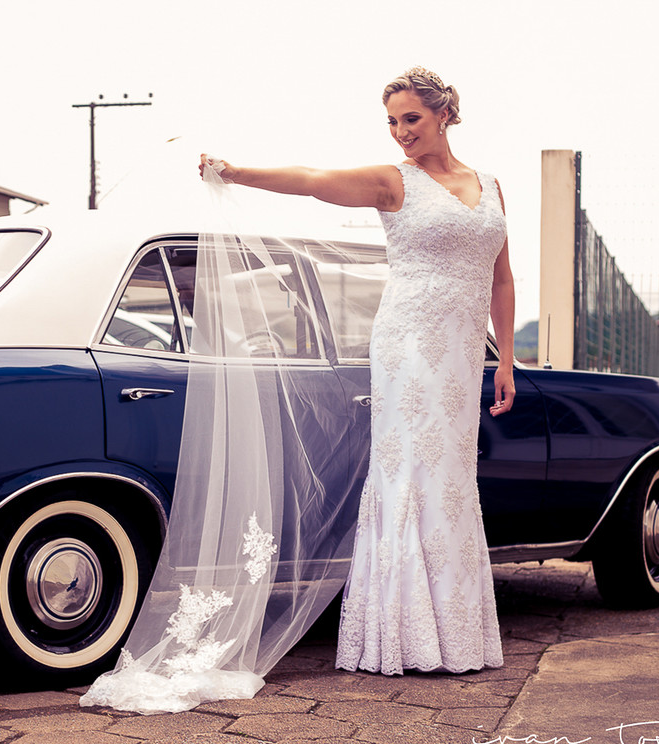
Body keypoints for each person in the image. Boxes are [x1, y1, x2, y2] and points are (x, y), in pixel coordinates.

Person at [198, 66, 513, 675]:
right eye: (392, 122)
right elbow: (315, 181)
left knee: (451, 479)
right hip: (409, 343)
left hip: (462, 352)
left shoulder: (493, 184)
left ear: (445, 113)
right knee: (412, 471)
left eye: (411, 119)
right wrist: (237, 173)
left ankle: (454, 635)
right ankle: (402, 636)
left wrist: (506, 360)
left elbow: (501, 278)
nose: (401, 132)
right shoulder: (393, 180)